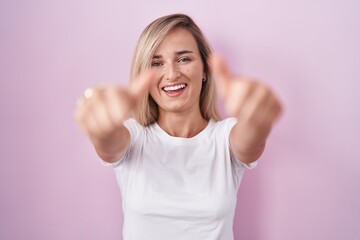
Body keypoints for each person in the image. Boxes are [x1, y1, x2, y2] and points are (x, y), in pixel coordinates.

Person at [75, 13, 282, 240]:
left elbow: (250, 137)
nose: (172, 74)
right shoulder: (133, 137)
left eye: (184, 59)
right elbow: (109, 142)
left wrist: (256, 119)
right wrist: (101, 126)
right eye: (157, 63)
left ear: (204, 70)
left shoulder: (225, 138)